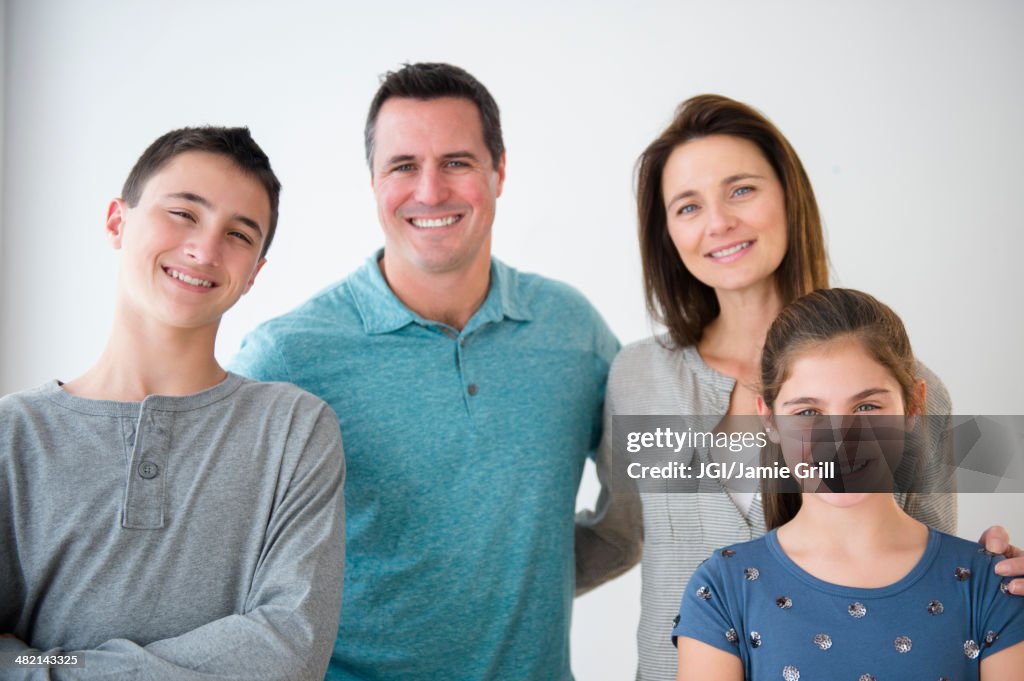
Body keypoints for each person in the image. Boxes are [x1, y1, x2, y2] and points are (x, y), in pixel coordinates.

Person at [577, 94, 1024, 680]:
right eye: (687, 206)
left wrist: (1004, 583)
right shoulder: (638, 378)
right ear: (665, 231)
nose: (718, 222)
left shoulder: (910, 388)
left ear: (790, 199)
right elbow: (617, 537)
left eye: (741, 190)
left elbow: (930, 570)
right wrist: (469, 575)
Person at [231, 63, 620, 680]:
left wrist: (525, 583)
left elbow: (649, 500)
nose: (431, 191)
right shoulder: (287, 357)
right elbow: (215, 568)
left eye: (458, 162)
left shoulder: (574, 329)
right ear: (373, 182)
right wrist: (43, 660)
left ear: (500, 172)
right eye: (404, 165)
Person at [0, 127, 346, 680]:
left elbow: (289, 652)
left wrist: (46, 668)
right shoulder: (13, 434)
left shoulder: (294, 431)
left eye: (238, 234)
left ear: (254, 273)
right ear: (118, 220)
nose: (204, 249)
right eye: (184, 213)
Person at [673, 287, 1024, 680]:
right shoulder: (722, 589)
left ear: (913, 407)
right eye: (808, 412)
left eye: (867, 407)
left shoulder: (992, 586)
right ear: (769, 420)